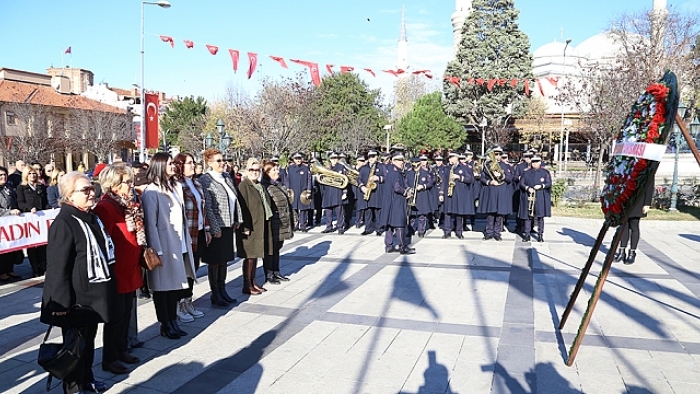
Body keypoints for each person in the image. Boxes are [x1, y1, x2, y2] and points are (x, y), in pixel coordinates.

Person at [40, 171, 118, 394]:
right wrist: (60, 304)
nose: (92, 192)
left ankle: (86, 378)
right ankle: (73, 386)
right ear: (69, 196)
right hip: (76, 299)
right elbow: (57, 268)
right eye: (85, 189)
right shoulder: (65, 222)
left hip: (94, 294)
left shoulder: (91, 217)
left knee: (89, 342)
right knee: (75, 345)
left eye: (92, 187)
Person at [93, 164, 144, 374]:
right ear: (113, 185)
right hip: (117, 271)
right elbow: (104, 243)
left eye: (131, 181)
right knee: (115, 317)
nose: (131, 185)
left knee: (126, 314)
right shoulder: (106, 207)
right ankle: (110, 358)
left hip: (130, 268)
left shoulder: (127, 204)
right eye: (127, 182)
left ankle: (122, 349)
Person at [141, 153, 196, 339]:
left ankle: (173, 320)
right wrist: (158, 250)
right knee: (162, 288)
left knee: (174, 287)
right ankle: (165, 323)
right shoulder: (151, 191)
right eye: (170, 163)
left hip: (178, 242)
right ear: (160, 165)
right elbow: (151, 223)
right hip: (163, 244)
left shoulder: (175, 186)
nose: (173, 166)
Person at [199, 148, 243, 306]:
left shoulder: (226, 177)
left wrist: (237, 218)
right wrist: (215, 228)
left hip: (228, 225)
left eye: (223, 160)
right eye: (218, 160)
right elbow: (208, 207)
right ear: (209, 163)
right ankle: (215, 292)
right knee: (215, 261)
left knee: (225, 260)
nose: (222, 163)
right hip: (217, 226)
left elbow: (234, 198)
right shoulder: (205, 180)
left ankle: (223, 288)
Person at [173, 152, 208, 319]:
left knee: (194, 268)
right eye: (189, 163)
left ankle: (188, 301)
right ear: (180, 166)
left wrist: (207, 228)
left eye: (193, 163)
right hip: (186, 234)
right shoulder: (177, 185)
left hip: (199, 231)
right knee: (185, 269)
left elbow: (203, 208)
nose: (193, 166)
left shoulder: (196, 183)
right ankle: (179, 304)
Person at [236, 158, 273, 295]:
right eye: (252, 170)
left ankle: (253, 281)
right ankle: (247, 284)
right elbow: (241, 208)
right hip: (249, 227)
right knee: (249, 256)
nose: (254, 172)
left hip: (260, 225)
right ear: (247, 170)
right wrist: (244, 227)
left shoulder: (260, 186)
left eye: (257, 170)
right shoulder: (244, 186)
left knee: (256, 254)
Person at [261, 161, 294, 284]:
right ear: (267, 173)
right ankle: (269, 274)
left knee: (277, 248)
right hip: (273, 224)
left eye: (277, 170)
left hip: (282, 222)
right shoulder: (265, 187)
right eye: (274, 170)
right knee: (270, 250)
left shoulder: (278, 185)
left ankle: (276, 272)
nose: (277, 172)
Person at [16, 165, 50, 276]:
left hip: (41, 217)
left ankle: (44, 266)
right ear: (26, 175)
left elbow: (45, 202)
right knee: (32, 246)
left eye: (34, 173)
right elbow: (20, 202)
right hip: (29, 219)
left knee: (42, 244)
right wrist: (29, 208)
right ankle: (35, 268)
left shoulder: (41, 187)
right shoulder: (21, 188)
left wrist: (50, 208)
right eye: (30, 173)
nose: (32, 175)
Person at [379, 152, 416, 255]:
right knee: (400, 225)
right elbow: (397, 188)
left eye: (402, 160)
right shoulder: (396, 173)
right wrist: (406, 193)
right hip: (396, 202)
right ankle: (403, 247)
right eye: (399, 160)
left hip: (389, 203)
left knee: (389, 225)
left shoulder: (390, 172)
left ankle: (389, 246)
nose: (402, 162)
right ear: (393, 161)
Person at [614, 179, 655, 265]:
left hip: (638, 201)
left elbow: (649, 186)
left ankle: (632, 253)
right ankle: (622, 251)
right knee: (623, 226)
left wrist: (647, 203)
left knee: (634, 226)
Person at [478, 147, 513, 241]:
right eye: (495, 154)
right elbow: (482, 178)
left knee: (499, 214)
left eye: (498, 154)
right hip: (491, 191)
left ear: (501, 155)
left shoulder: (506, 166)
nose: (497, 156)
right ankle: (489, 232)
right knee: (491, 213)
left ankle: (497, 233)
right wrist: (489, 182)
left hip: (501, 191)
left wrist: (502, 176)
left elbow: (510, 179)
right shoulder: (487, 165)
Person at [517, 156, 552, 242]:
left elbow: (549, 183)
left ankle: (540, 235)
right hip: (529, 196)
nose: (535, 163)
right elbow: (521, 183)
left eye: (536, 162)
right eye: (533, 162)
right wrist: (527, 188)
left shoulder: (545, 172)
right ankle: (527, 235)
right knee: (528, 217)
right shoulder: (526, 172)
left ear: (540, 162)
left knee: (540, 217)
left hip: (540, 196)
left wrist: (541, 186)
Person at [440, 152, 474, 239]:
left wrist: (459, 177)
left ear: (456, 158)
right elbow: (443, 181)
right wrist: (441, 193)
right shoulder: (447, 168)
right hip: (449, 193)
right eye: (449, 158)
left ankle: (459, 232)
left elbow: (470, 179)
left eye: (451, 158)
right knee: (447, 212)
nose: (449, 159)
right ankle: (447, 232)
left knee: (459, 213)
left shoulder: (464, 167)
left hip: (460, 193)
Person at [0, 166, 23, 282]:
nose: (3, 177)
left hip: (12, 223)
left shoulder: (9, 188)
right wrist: (9, 212)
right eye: (0, 175)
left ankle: (10, 269)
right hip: (2, 222)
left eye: (4, 175)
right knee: (3, 248)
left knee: (12, 247)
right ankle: (2, 271)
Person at [406, 156, 434, 237]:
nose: (415, 167)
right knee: (412, 215)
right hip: (412, 195)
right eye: (413, 165)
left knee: (422, 215)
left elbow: (430, 183)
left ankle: (421, 231)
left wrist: (423, 186)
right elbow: (405, 182)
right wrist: (409, 189)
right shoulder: (409, 173)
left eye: (417, 165)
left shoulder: (425, 173)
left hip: (422, 195)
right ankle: (411, 229)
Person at [321, 152, 348, 234]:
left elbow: (345, 180)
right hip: (328, 191)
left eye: (335, 158)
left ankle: (340, 227)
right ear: (330, 159)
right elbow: (322, 178)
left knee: (339, 211)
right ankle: (329, 226)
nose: (334, 160)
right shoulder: (326, 168)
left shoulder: (341, 167)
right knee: (328, 211)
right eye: (332, 158)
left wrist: (345, 192)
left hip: (337, 191)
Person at [286, 152, 313, 232]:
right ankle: (295, 225)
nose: (298, 160)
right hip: (293, 191)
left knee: (303, 209)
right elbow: (287, 180)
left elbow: (309, 180)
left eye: (299, 158)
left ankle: (303, 225)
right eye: (296, 159)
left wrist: (309, 191)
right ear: (293, 160)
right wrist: (287, 189)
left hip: (302, 191)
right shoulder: (290, 168)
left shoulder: (305, 168)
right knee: (294, 209)